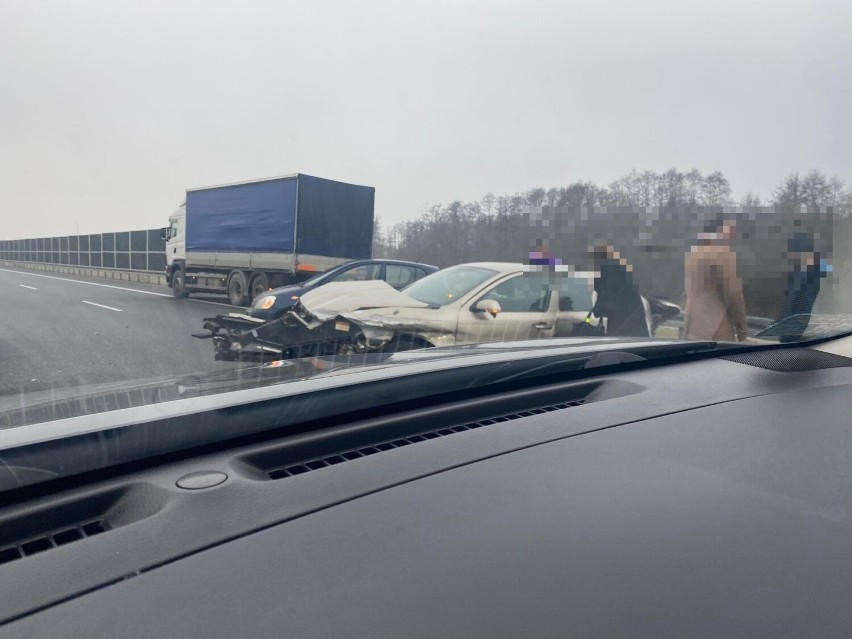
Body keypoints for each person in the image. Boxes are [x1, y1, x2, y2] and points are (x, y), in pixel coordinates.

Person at [684, 216, 748, 342]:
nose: (733, 235)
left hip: (692, 328)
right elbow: (734, 294)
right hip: (716, 329)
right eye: (730, 230)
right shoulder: (723, 254)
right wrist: (742, 331)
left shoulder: (694, 255)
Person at [589, 244, 650, 337]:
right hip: (632, 313)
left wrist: (598, 309)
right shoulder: (623, 266)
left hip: (619, 317)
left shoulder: (606, 267)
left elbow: (603, 290)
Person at [778, 232, 826, 343]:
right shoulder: (798, 273)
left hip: (798, 338)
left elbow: (803, 311)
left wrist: (791, 335)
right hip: (792, 334)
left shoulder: (808, 277)